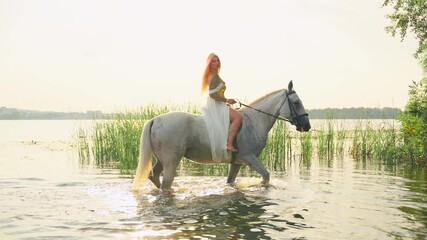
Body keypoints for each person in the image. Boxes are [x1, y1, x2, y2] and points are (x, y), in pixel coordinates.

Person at [201, 53, 243, 162]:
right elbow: (212, 94)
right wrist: (226, 100)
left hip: (218, 103)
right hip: (215, 104)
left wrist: (225, 101)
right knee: (238, 118)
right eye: (213, 61)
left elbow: (217, 94)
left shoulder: (215, 75)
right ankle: (229, 143)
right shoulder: (214, 76)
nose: (216, 63)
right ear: (209, 64)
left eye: (218, 60)